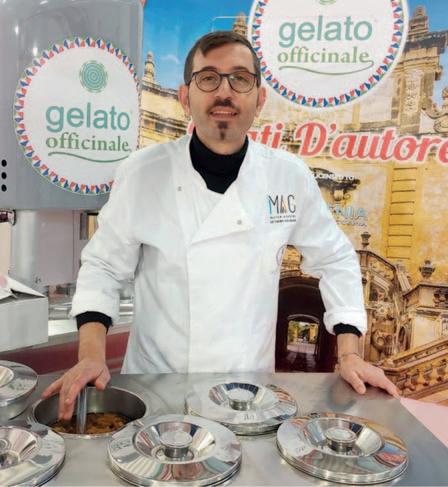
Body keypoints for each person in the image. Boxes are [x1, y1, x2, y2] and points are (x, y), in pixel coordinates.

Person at [43, 31, 398, 420]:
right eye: (208, 78)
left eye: (240, 79)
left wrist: (349, 354)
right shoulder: (142, 173)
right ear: (185, 97)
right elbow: (104, 267)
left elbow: (336, 258)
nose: (224, 92)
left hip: (246, 394)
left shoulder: (288, 176)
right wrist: (91, 355)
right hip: (158, 389)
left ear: (259, 99)